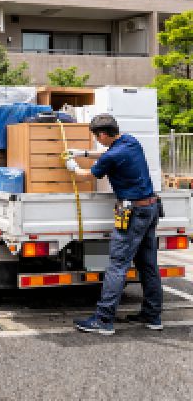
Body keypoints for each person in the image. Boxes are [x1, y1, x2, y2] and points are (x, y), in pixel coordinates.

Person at [66, 114, 162, 335]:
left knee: (117, 266)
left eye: (96, 137)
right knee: (148, 264)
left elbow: (89, 175)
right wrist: (83, 153)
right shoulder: (129, 141)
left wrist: (72, 166)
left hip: (134, 212)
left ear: (102, 134)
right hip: (151, 208)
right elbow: (107, 154)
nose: (97, 141)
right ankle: (152, 316)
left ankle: (103, 320)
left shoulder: (113, 155)